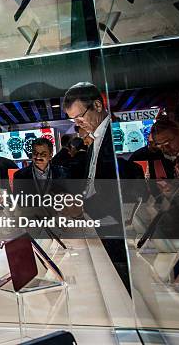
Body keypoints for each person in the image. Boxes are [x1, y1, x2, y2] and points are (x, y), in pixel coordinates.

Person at [63, 82, 130, 291]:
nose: (79, 124)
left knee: (122, 284)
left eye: (80, 117)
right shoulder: (95, 140)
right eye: (74, 120)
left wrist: (82, 207)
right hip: (99, 224)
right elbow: (93, 182)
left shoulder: (113, 133)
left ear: (98, 106)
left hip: (114, 227)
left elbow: (115, 188)